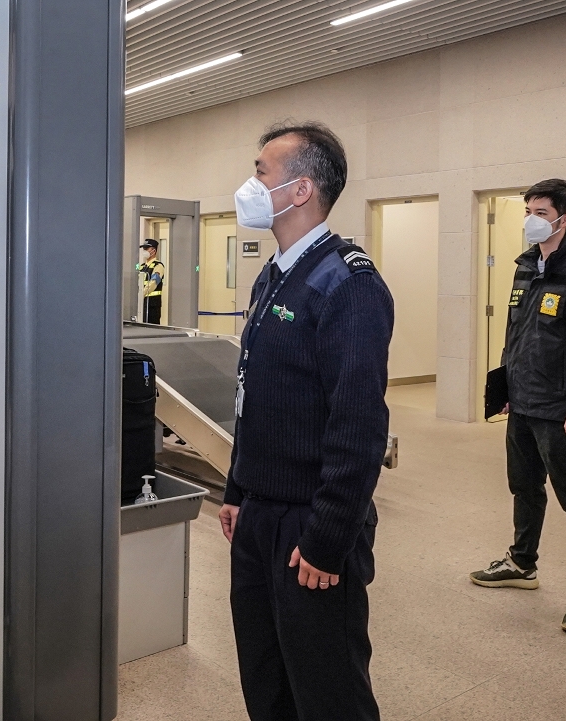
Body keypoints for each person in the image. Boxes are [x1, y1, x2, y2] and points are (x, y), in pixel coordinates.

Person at [219, 121, 393, 721]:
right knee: (266, 677)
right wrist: (237, 489)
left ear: (300, 190)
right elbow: (255, 395)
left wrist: (326, 539)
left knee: (327, 691)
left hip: (310, 525)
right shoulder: (275, 274)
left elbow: (359, 426)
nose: (249, 185)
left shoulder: (348, 283)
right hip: (259, 516)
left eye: (261, 172)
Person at [468, 179, 566, 635]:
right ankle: (522, 562)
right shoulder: (524, 268)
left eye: (540, 212)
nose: (531, 219)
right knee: (524, 487)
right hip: (523, 403)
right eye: (527, 211)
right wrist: (506, 388)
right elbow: (516, 336)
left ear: (564, 219)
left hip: (562, 410)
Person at [137, 237, 165, 324]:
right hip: (142, 304)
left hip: (152, 305)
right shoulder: (142, 266)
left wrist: (141, 295)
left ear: (154, 251)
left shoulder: (158, 266)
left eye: (146, 248)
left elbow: (153, 283)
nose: (144, 251)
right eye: (144, 249)